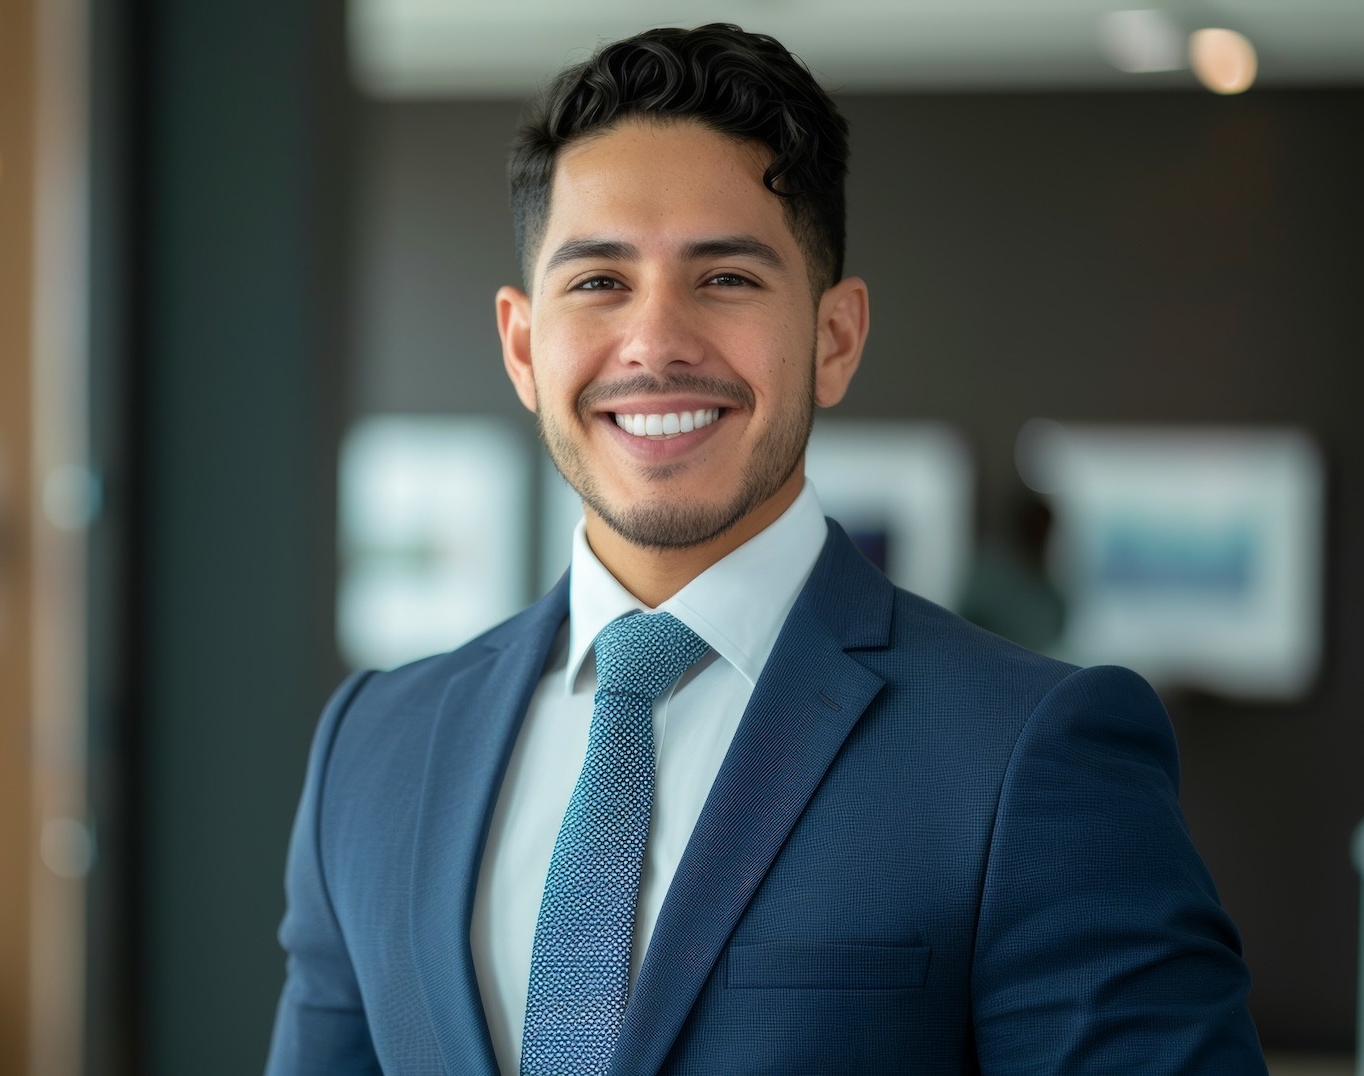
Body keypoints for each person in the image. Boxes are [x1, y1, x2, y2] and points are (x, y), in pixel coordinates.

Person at [267, 22, 1262, 1075]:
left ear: (835, 338)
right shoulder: (372, 749)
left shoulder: (1031, 752)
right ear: (522, 344)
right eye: (600, 280)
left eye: (727, 278)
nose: (655, 341)